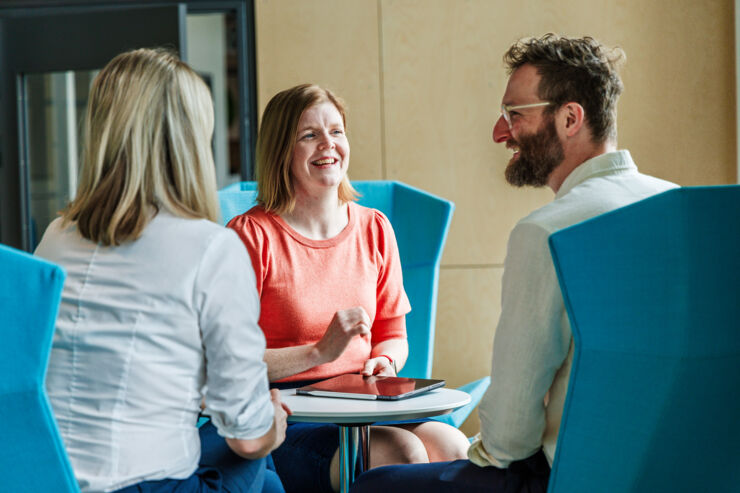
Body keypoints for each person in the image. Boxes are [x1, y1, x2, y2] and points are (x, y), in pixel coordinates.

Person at [349, 34, 678, 493]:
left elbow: (510, 437)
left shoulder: (548, 231)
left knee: (374, 485)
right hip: (681, 468)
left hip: (569, 478)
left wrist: (485, 449)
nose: (500, 132)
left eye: (514, 114)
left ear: (569, 118)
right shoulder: (680, 207)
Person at [34, 48, 288, 493]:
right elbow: (247, 436)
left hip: (47, 478)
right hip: (144, 485)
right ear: (189, 141)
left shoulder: (55, 237)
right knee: (262, 463)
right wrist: (275, 425)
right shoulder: (211, 248)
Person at [227, 84, 470, 493]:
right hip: (287, 416)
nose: (328, 145)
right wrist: (319, 352)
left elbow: (393, 335)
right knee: (401, 453)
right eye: (309, 135)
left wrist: (385, 362)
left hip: (366, 399)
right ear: (280, 150)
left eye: (336, 131)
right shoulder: (250, 236)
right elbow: (228, 361)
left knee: (454, 447)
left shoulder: (375, 227)